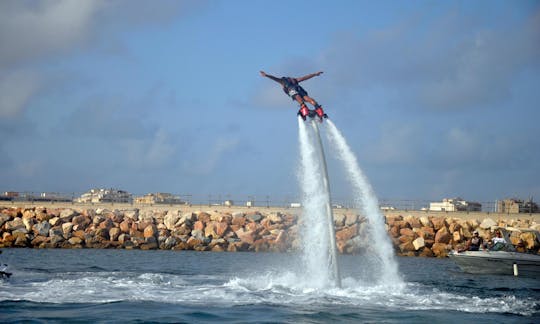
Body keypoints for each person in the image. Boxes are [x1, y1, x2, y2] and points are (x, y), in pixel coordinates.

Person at [259, 70, 327, 120]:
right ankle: (317, 109)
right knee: (307, 99)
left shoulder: (283, 81)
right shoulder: (293, 80)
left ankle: (305, 108)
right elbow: (305, 77)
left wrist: (266, 75)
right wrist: (315, 74)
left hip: (295, 90)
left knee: (300, 98)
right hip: (299, 90)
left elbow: (274, 78)